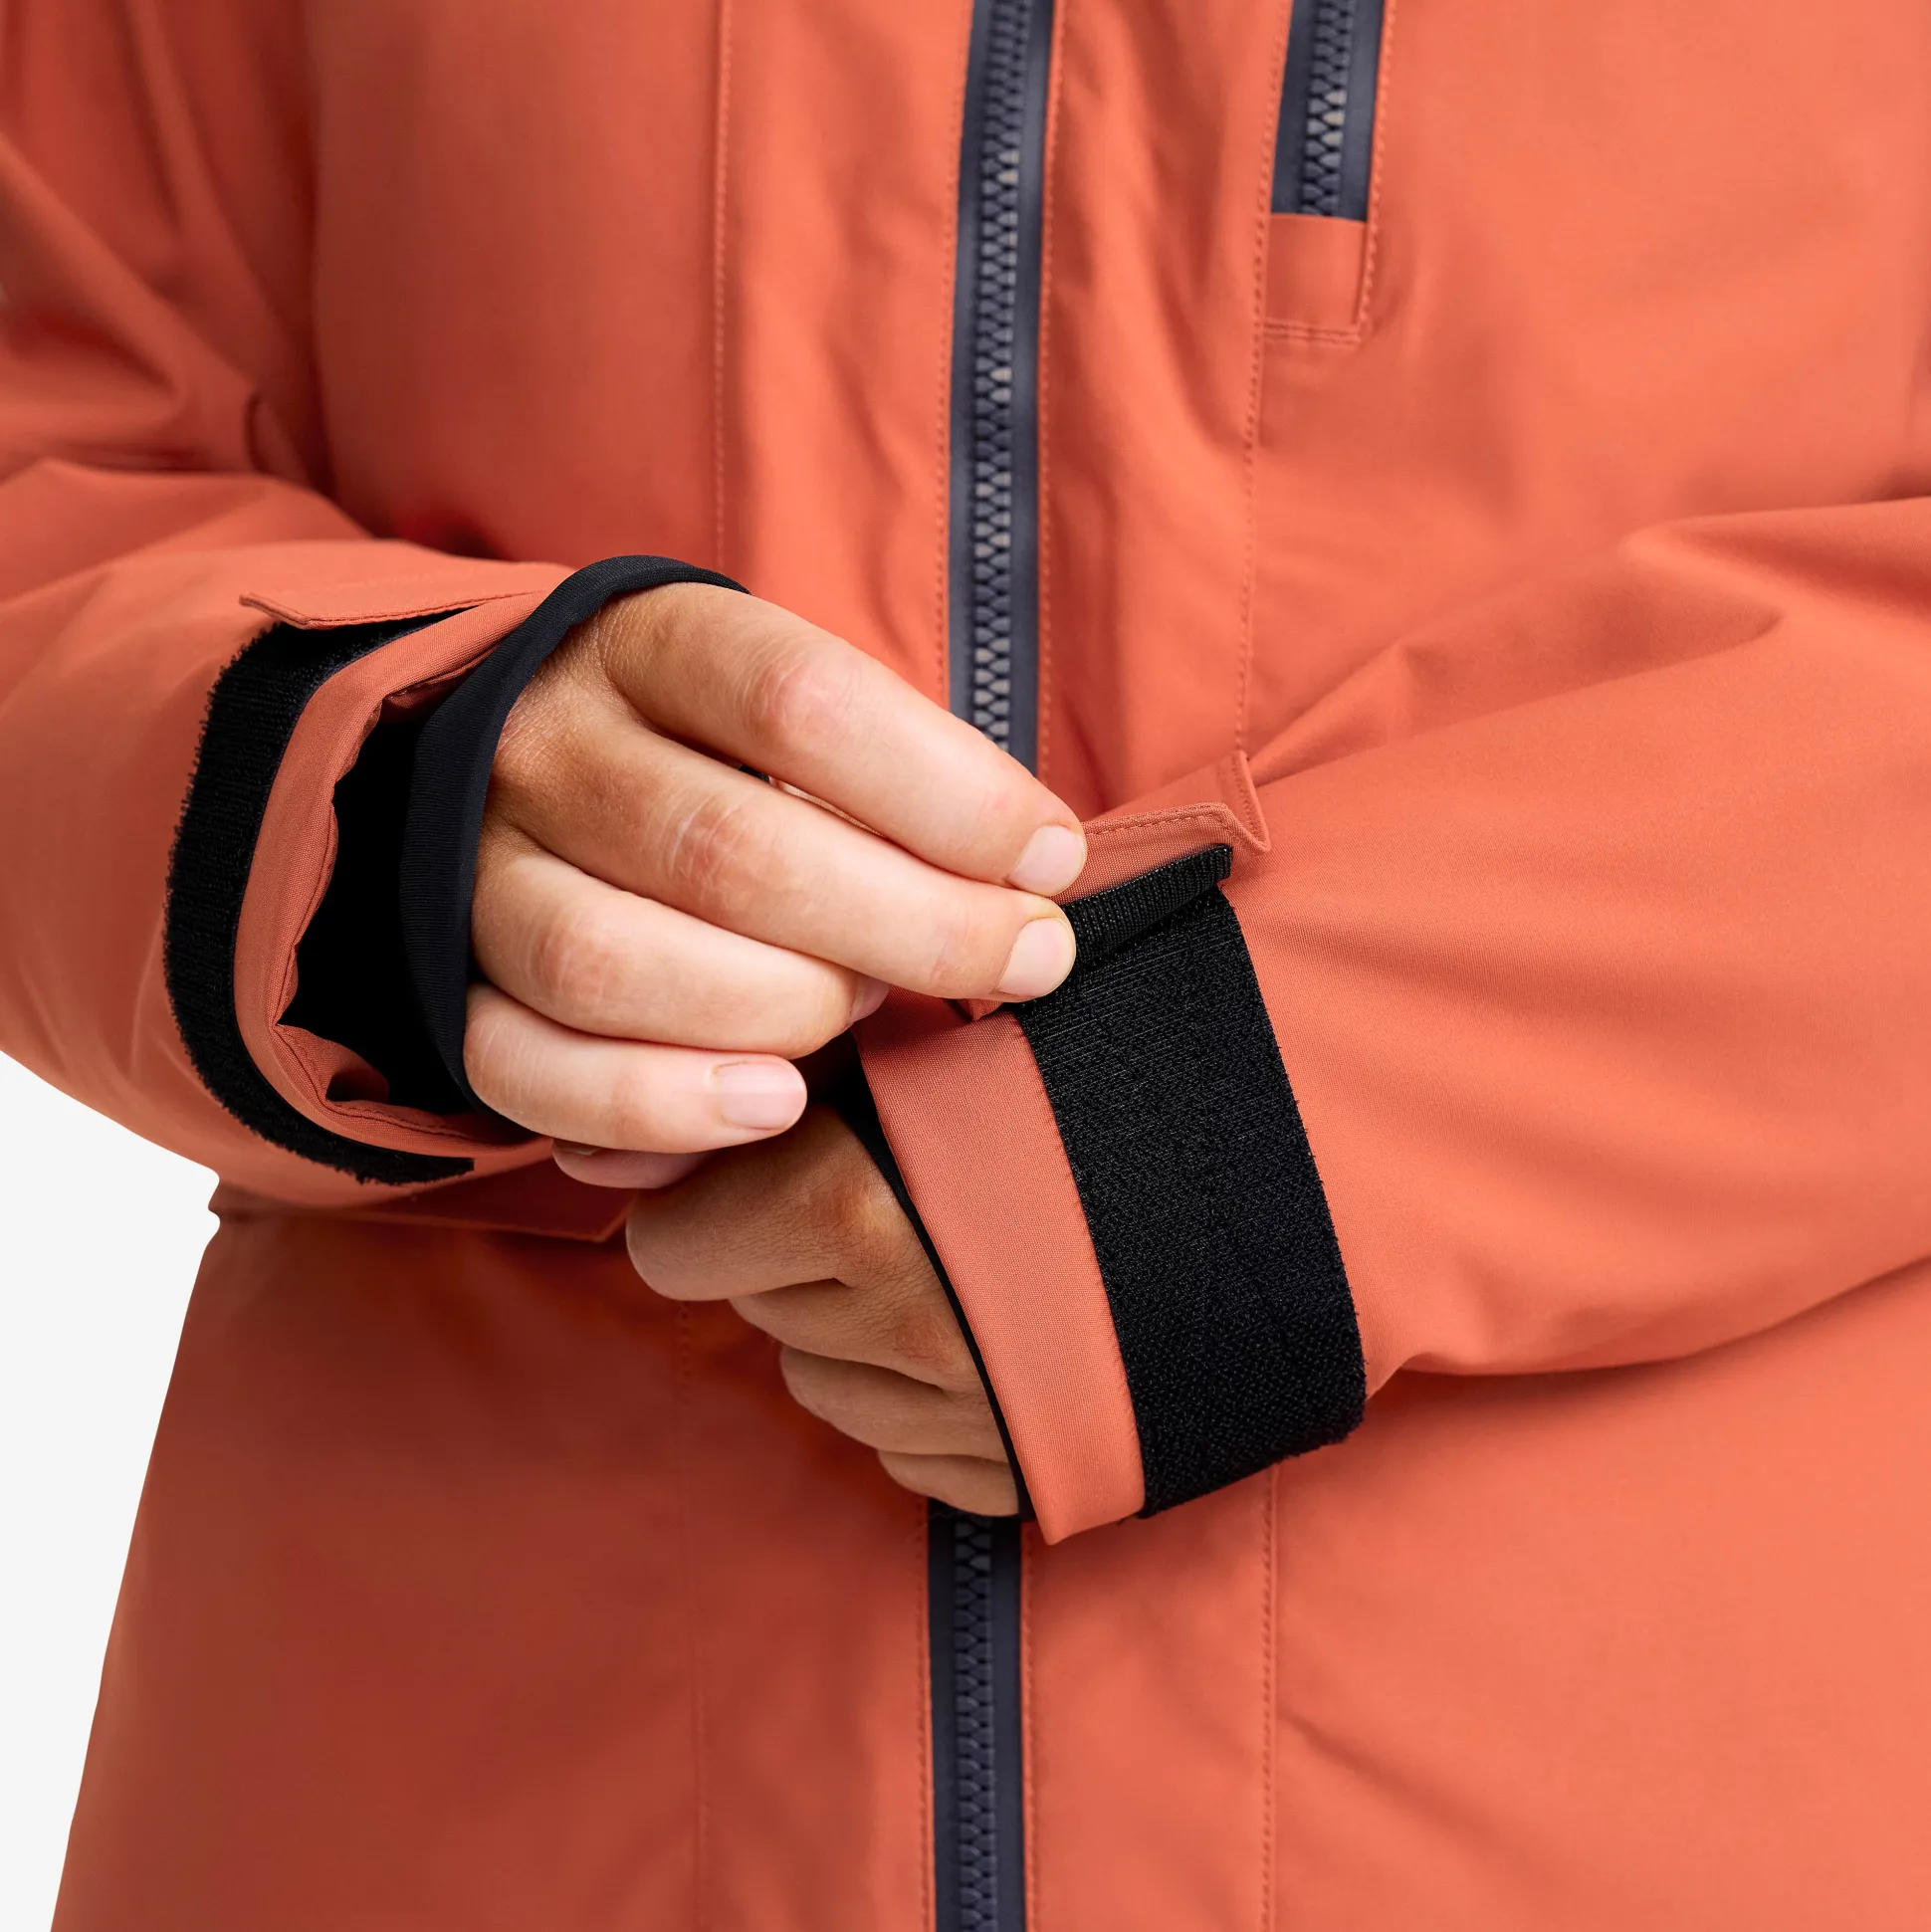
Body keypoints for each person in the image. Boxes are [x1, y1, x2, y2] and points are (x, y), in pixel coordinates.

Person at [4, 1, 1930, 1925]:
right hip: (435, 1780)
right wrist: (377, 813)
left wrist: (1215, 1135)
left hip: (1658, 1775)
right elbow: (51, 458)